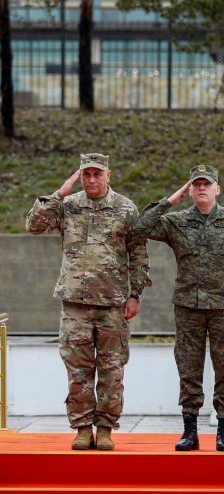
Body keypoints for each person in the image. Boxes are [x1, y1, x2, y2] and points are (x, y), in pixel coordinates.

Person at [25, 153, 151, 451]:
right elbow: (34, 226)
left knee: (112, 369)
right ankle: (82, 428)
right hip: (75, 304)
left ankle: (105, 428)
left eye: (97, 174)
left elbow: (138, 253)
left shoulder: (125, 208)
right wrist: (60, 193)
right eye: (86, 175)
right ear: (79, 176)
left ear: (109, 175)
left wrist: (135, 295)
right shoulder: (67, 206)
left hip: (113, 304)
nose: (92, 180)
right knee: (78, 370)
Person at [133, 164, 224, 452]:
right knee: (189, 368)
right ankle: (190, 430)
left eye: (207, 184)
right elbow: (141, 227)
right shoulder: (177, 222)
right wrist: (170, 200)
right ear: (189, 189)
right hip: (188, 306)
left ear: (217, 189)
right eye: (196, 184)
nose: (202, 188)